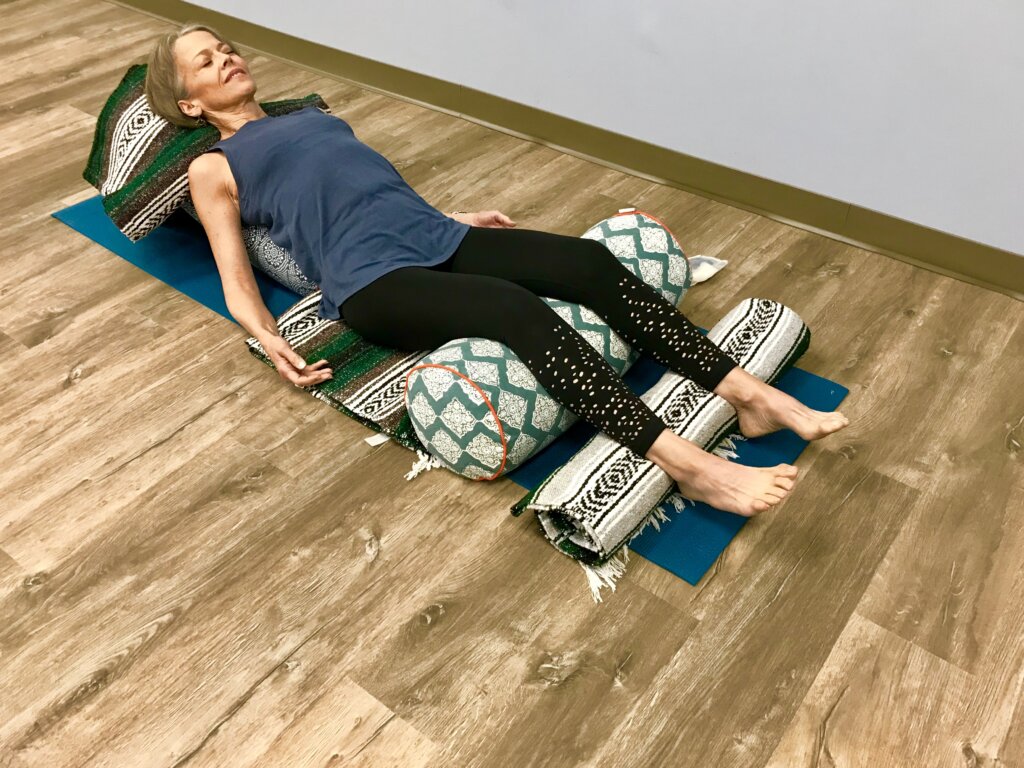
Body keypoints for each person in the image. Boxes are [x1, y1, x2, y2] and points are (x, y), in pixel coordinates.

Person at [144, 23, 850, 518]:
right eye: (206, 62)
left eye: (226, 48)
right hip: (370, 285)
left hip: (435, 234)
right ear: (190, 104)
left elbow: (367, 188)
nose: (227, 59)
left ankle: (747, 394)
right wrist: (266, 336)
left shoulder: (311, 115)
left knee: (586, 260)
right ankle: (688, 467)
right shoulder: (214, 166)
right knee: (515, 309)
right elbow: (236, 274)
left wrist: (456, 214)